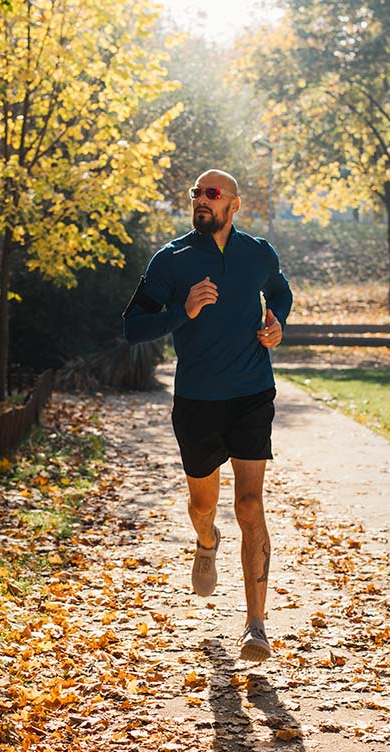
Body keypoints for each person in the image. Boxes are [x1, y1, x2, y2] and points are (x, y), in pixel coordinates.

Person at [122, 169, 292, 662]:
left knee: (249, 505)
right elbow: (133, 327)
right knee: (203, 505)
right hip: (197, 399)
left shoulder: (258, 253)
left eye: (210, 194)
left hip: (252, 393)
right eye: (195, 193)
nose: (200, 200)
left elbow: (279, 293)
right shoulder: (171, 259)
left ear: (233, 205)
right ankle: (205, 539)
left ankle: (256, 625)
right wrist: (183, 311)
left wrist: (276, 323)